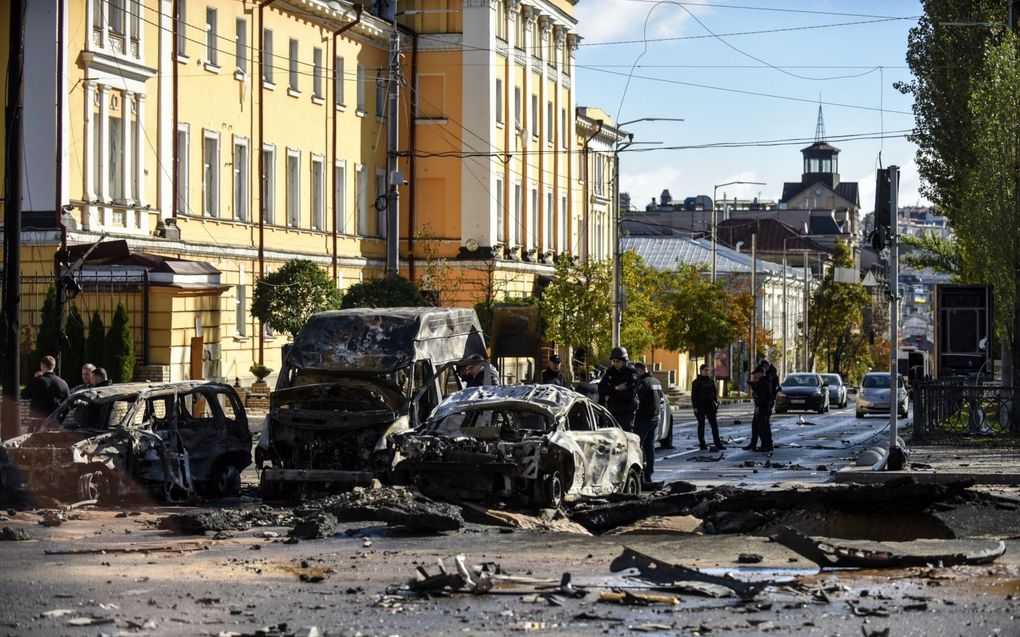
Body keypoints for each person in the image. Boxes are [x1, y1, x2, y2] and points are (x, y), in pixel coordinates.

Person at [21, 356, 70, 430]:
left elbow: (24, 395)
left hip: (37, 423)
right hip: (55, 422)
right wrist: (61, 420)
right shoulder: (63, 383)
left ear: (43, 366)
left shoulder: (36, 381)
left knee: (35, 441)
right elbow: (67, 405)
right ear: (54, 366)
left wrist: (34, 378)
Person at [598, 346, 638, 432]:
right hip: (613, 411)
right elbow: (601, 389)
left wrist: (611, 391)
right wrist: (617, 388)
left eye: (618, 361)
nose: (615, 364)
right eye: (614, 361)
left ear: (624, 361)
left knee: (627, 438)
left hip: (627, 413)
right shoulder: (610, 372)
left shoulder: (631, 373)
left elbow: (630, 394)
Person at [632, 362, 661, 483]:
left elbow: (637, 400)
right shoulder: (656, 382)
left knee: (637, 447)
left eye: (636, 372)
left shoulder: (643, 383)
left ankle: (640, 474)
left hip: (643, 419)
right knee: (650, 447)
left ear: (640, 370)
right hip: (654, 419)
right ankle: (649, 473)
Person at [691, 363, 724, 451]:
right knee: (701, 425)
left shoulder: (711, 381)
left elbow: (714, 394)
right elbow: (693, 395)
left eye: (708, 370)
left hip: (710, 406)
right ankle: (702, 444)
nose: (707, 372)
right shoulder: (696, 382)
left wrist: (716, 404)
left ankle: (718, 443)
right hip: (700, 406)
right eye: (705, 370)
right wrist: (695, 407)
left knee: (714, 425)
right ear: (701, 371)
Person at [746, 361, 775, 453]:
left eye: (756, 374)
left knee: (762, 427)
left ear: (760, 373)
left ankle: (765, 446)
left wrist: (758, 407)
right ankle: (759, 445)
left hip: (763, 408)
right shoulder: (763, 381)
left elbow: (761, 397)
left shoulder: (763, 382)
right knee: (757, 426)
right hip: (763, 407)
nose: (754, 376)